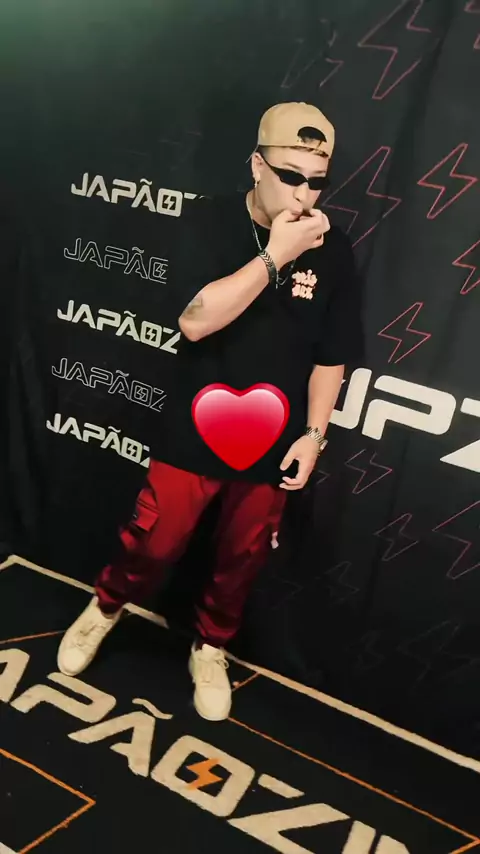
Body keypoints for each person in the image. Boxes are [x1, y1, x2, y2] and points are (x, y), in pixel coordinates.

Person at [57, 102, 363, 722]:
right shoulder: (208, 221)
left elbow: (330, 357)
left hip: (274, 439)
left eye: (317, 182)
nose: (303, 193)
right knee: (153, 543)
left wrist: (314, 435)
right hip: (194, 427)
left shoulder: (334, 249)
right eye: (290, 175)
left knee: (241, 559)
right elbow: (196, 321)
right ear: (257, 166)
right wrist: (276, 255)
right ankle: (106, 607)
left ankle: (212, 646)